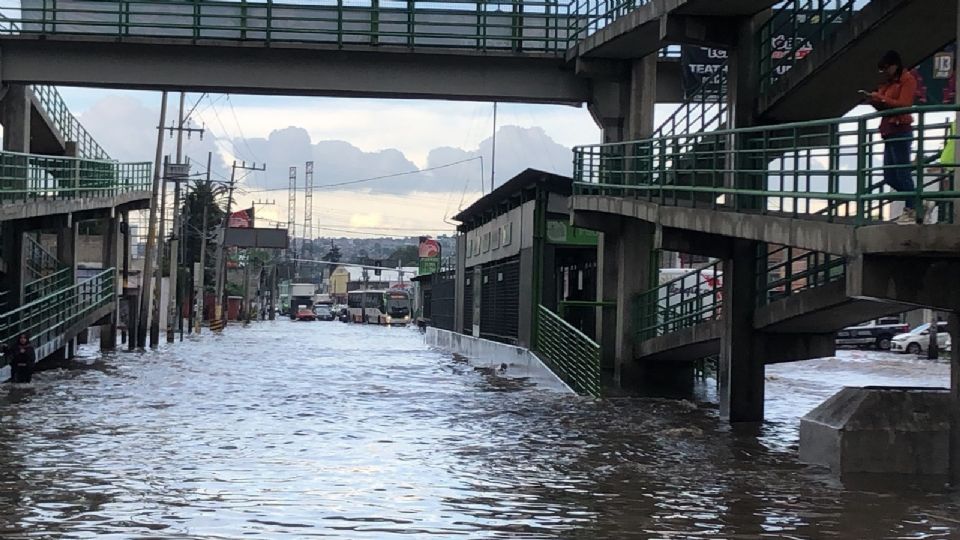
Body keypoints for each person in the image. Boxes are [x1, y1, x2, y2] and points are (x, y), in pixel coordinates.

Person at [867, 50, 918, 224]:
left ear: (895, 65)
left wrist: (880, 99)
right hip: (889, 130)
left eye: (886, 68)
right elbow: (887, 106)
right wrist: (875, 101)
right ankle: (916, 203)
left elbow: (904, 105)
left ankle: (912, 208)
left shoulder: (907, 79)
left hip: (901, 128)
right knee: (890, 176)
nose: (884, 72)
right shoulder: (889, 83)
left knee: (902, 172)